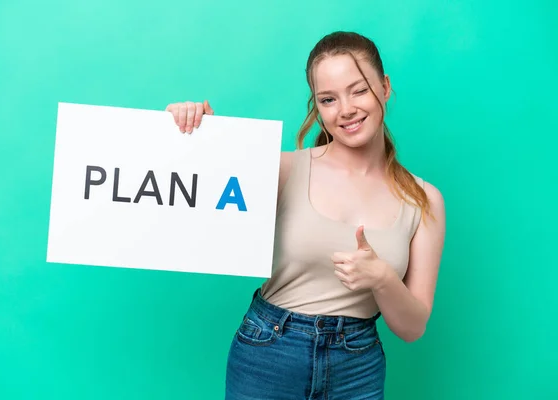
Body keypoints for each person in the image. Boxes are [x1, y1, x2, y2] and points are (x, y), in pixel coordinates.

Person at [165, 31, 446, 400]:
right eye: (328, 99)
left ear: (385, 86)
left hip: (357, 367)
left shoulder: (423, 199)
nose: (346, 109)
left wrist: (382, 278)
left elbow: (412, 328)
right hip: (267, 353)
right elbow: (185, 183)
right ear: (317, 106)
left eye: (359, 90)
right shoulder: (282, 170)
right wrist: (186, 128)